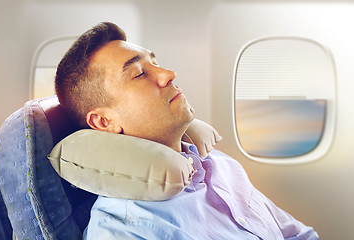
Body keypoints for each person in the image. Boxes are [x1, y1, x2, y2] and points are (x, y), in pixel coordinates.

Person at [55, 22, 319, 240]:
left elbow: (299, 235)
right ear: (103, 122)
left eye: (155, 62)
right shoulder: (126, 229)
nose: (168, 73)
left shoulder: (218, 164)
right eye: (138, 74)